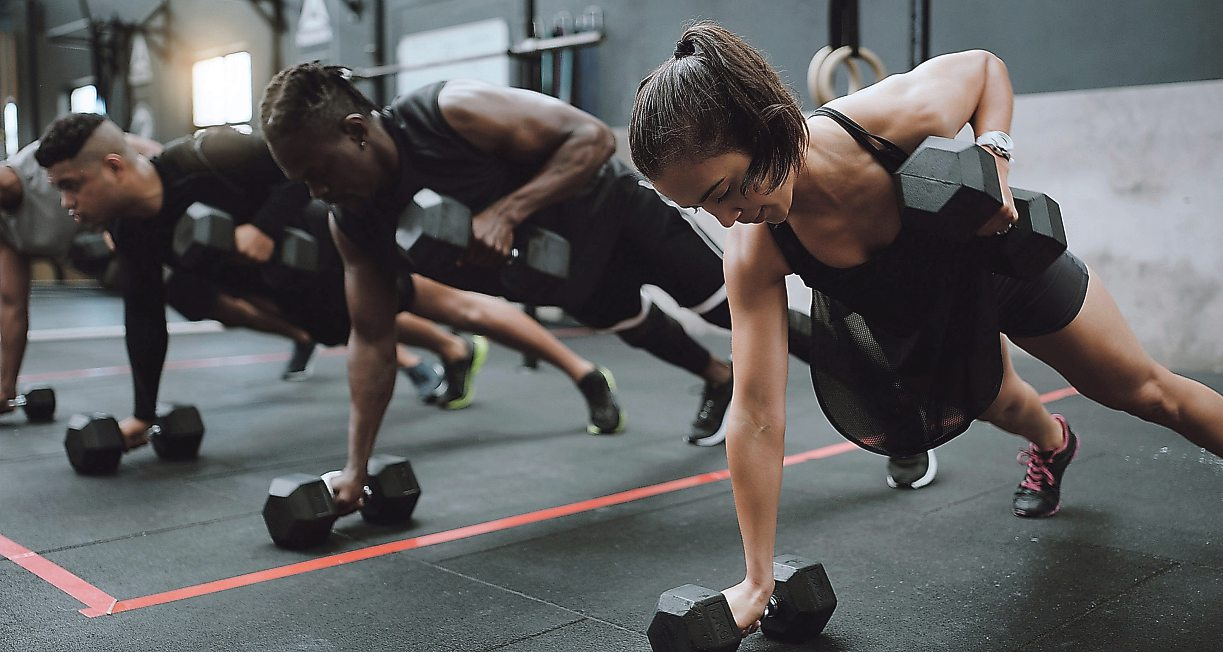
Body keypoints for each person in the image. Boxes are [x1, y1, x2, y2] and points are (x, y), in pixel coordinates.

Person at [628, 22, 1223, 634]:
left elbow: (985, 68)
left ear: (762, 127)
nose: (727, 216)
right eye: (703, 207)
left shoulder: (884, 119)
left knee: (1148, 393)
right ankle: (1052, 441)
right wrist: (757, 580)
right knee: (1000, 401)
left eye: (725, 190)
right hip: (914, 309)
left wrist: (994, 155)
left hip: (997, 263)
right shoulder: (754, 250)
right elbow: (754, 413)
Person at [257, 63, 920, 512]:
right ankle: (716, 381)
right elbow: (371, 341)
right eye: (302, 183)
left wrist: (510, 209)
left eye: (318, 172)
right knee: (630, 324)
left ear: (355, 131)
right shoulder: (352, 223)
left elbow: (590, 138)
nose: (315, 193)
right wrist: (354, 469)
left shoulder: (450, 112)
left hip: (620, 218)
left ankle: (893, 410)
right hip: (558, 274)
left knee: (735, 316)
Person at [35, 114, 622, 447]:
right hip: (294, 291)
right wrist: (142, 413)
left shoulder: (201, 156)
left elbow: (302, 162)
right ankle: (454, 354)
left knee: (456, 307)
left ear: (114, 166)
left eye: (70, 184)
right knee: (374, 327)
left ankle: (587, 375)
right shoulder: (133, 229)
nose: (65, 201)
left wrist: (264, 226)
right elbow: (144, 317)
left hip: (333, 245)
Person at [0, 135, 162, 416]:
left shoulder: (48, 156)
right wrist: (6, 387)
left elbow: (124, 146)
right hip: (99, 258)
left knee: (217, 298)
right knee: (197, 300)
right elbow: (11, 305)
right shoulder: (5, 230)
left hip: (132, 226)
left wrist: (172, 179)